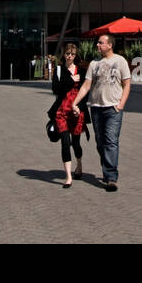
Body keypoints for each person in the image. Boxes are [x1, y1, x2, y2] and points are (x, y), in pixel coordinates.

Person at [70, 33, 130, 191]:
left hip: (113, 109)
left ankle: (111, 177)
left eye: (100, 43)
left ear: (110, 45)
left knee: (111, 141)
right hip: (96, 107)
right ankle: (107, 169)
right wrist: (75, 102)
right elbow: (86, 85)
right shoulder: (94, 63)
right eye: (97, 43)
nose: (97, 45)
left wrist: (121, 104)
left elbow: (127, 84)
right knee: (100, 142)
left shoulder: (120, 61)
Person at [51, 43, 88, 187]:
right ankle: (68, 177)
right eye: (67, 54)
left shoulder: (82, 70)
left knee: (76, 143)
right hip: (62, 111)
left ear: (76, 55)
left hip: (77, 111)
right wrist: (70, 80)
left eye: (72, 54)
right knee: (65, 142)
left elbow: (86, 92)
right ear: (63, 55)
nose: (70, 57)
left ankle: (79, 164)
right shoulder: (59, 70)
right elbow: (56, 89)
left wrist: (80, 107)